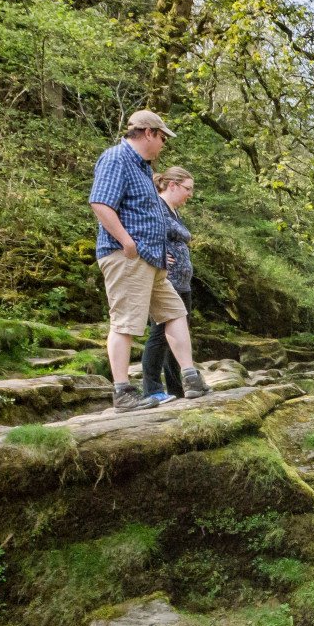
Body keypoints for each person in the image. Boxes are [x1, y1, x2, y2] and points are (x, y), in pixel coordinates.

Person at [88, 110, 209, 411]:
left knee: (175, 313)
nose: (164, 145)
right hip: (126, 257)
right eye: (163, 138)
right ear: (148, 133)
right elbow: (100, 203)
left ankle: (190, 378)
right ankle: (122, 392)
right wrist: (127, 242)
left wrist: (158, 256)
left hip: (151, 261)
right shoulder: (116, 158)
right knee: (125, 323)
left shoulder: (142, 167)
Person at [140, 166, 195, 401]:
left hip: (182, 283)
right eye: (188, 189)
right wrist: (158, 252)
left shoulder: (174, 211)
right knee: (160, 334)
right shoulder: (157, 207)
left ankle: (177, 388)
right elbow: (143, 232)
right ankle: (151, 389)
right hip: (165, 281)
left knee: (178, 335)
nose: (190, 194)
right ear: (172, 185)